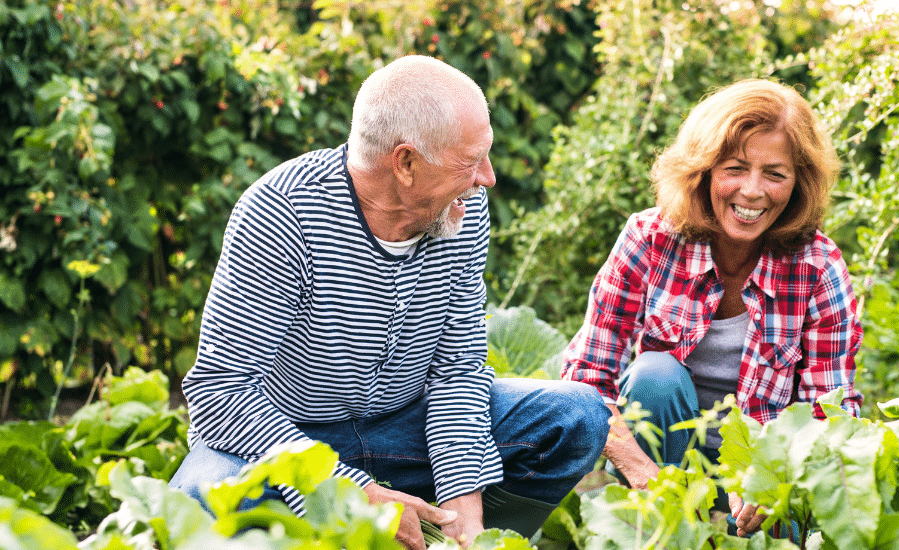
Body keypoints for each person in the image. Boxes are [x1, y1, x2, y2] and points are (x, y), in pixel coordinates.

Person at [169, 55, 610, 550]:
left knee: (577, 417)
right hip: (291, 439)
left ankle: (436, 537)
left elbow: (458, 370)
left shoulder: (459, 208)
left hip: (404, 432)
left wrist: (466, 516)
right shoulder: (283, 212)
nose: (486, 177)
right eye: (470, 161)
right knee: (201, 499)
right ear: (405, 163)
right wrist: (355, 493)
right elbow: (220, 392)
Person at [561, 79, 863, 537]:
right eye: (735, 168)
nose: (753, 191)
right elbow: (585, 379)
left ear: (799, 183)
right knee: (655, 375)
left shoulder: (818, 267)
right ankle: (657, 532)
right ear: (703, 169)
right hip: (661, 461)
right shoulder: (650, 239)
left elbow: (829, 412)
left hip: (763, 473)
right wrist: (644, 474)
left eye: (775, 174)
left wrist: (771, 478)